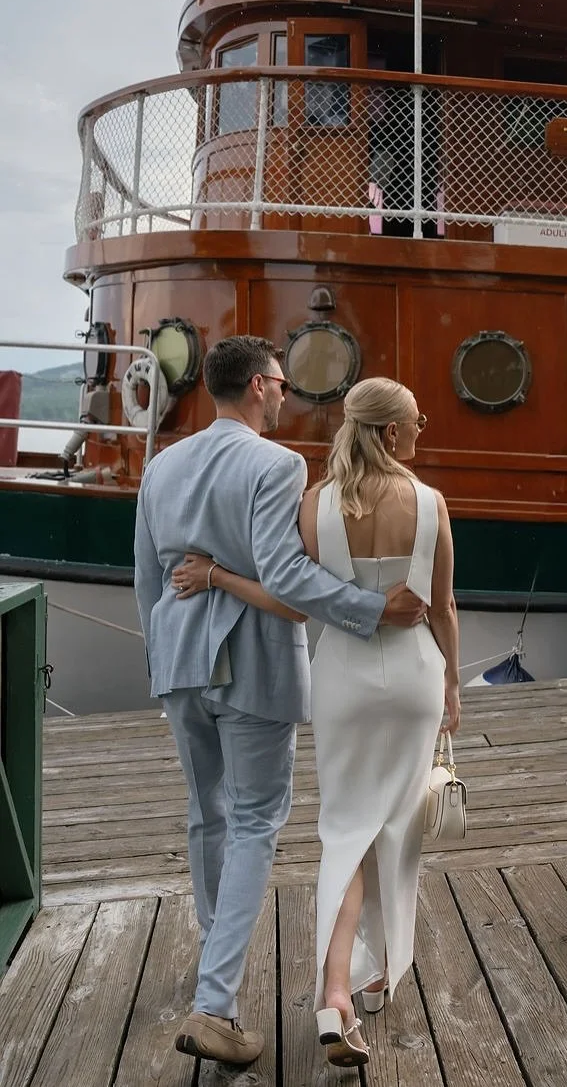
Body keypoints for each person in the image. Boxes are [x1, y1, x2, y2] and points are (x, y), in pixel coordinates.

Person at [134, 337, 426, 1068]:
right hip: (252, 665)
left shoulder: (161, 465)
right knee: (256, 820)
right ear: (260, 386)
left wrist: (159, 657)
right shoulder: (278, 464)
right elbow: (287, 575)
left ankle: (215, 963)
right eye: (282, 385)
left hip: (177, 658)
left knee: (207, 813)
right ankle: (215, 1004)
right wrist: (371, 608)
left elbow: (145, 578)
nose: (286, 397)